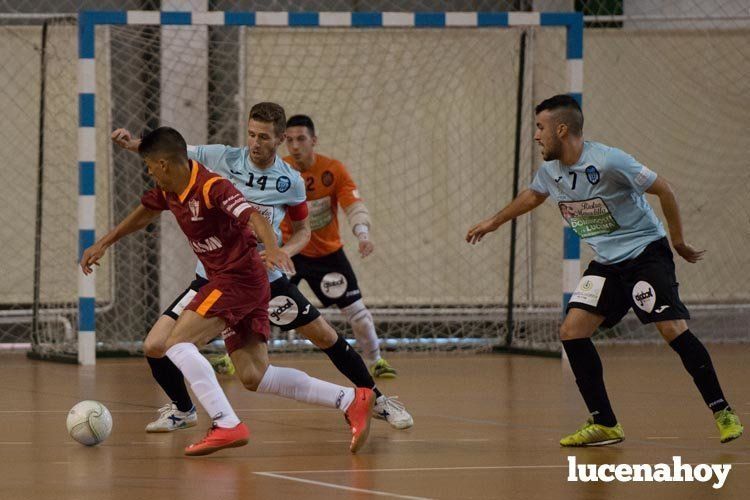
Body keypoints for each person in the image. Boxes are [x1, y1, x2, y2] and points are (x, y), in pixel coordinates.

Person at [111, 103, 413, 432]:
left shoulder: (291, 181)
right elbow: (172, 152)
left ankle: (376, 398)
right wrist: (132, 144)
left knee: (324, 336)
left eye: (264, 137)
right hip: (212, 276)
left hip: (264, 278)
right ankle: (184, 410)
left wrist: (281, 251)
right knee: (157, 346)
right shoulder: (223, 157)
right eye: (252, 134)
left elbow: (302, 231)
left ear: (280, 138)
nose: (255, 142)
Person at [466, 94, 743, 447]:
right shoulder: (550, 172)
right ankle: (605, 423)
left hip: (646, 253)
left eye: (540, 127)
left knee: (671, 328)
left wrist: (677, 241)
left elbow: (665, 189)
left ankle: (722, 411)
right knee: (571, 331)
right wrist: (492, 222)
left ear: (561, 129)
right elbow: (533, 195)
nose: (536, 135)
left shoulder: (610, 161)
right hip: (609, 263)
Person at [282, 114, 395, 379]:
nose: (295, 146)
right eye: (289, 140)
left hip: (327, 255)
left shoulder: (333, 170)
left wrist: (363, 235)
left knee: (358, 314)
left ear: (314, 141)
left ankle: (376, 360)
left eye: (301, 139)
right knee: (261, 305)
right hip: (289, 252)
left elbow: (353, 206)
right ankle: (231, 358)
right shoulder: (279, 170)